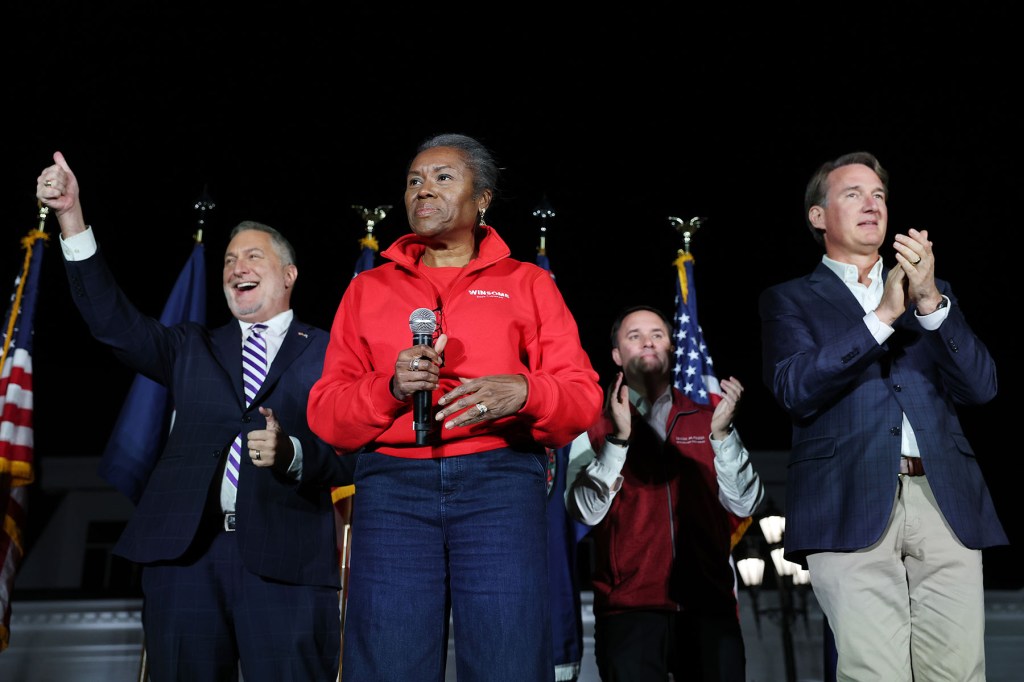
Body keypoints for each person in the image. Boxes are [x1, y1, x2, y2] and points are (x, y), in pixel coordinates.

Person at [36, 151, 354, 682]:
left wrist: (294, 454)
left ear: (289, 274)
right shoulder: (191, 347)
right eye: (229, 260)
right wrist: (72, 217)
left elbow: (356, 455)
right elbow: (112, 323)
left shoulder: (332, 353)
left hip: (288, 564)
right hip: (185, 562)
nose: (236, 268)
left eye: (252, 256)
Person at [306, 132, 603, 681]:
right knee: (390, 662)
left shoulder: (528, 283)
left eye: (443, 177)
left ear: (482, 198)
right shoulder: (368, 289)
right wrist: (389, 389)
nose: (424, 190)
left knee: (507, 659)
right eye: (415, 180)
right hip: (391, 489)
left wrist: (526, 391)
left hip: (500, 484)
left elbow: (582, 396)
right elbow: (326, 411)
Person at [759, 151, 1008, 680]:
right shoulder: (789, 300)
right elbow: (795, 388)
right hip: (846, 502)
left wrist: (931, 303)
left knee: (960, 672)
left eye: (879, 196)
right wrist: (882, 317)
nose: (871, 205)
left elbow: (982, 388)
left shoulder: (932, 297)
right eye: (852, 194)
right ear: (818, 216)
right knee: (875, 673)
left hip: (946, 503)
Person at [565, 304, 764, 682]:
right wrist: (617, 441)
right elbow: (583, 511)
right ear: (616, 355)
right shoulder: (593, 425)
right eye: (634, 335)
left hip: (709, 608)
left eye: (657, 334)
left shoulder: (710, 419)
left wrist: (722, 437)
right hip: (628, 613)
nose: (647, 342)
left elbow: (745, 503)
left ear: (672, 347)